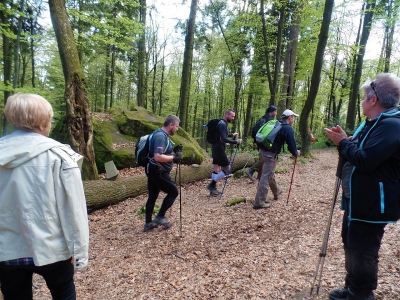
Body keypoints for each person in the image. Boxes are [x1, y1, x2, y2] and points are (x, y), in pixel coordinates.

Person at [0, 93, 89, 299]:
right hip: (53, 248)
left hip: (7, 251)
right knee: (63, 293)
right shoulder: (60, 157)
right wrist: (78, 252)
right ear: (43, 123)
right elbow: (74, 210)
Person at [324, 73, 400, 300]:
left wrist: (343, 143)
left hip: (374, 202)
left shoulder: (391, 125)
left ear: (373, 99)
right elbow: (360, 149)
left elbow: (365, 160)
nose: (362, 101)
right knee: (351, 241)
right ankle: (353, 287)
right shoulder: (376, 123)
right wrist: (346, 139)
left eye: (364, 97)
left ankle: (363, 294)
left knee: (364, 249)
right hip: (360, 199)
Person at [254, 109, 300, 209]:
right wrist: (296, 153)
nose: (294, 119)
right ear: (289, 117)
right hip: (270, 155)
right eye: (294, 117)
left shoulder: (276, 123)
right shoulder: (287, 128)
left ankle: (276, 191)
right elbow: (291, 146)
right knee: (266, 177)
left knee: (269, 174)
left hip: (262, 152)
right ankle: (259, 202)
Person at [143, 115, 182, 232]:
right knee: (174, 191)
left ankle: (148, 223)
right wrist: (174, 158)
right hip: (158, 171)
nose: (177, 129)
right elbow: (158, 156)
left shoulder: (161, 134)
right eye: (176, 126)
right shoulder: (160, 136)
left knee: (153, 196)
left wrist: (174, 150)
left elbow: (162, 151)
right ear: (170, 125)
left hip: (153, 169)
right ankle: (160, 216)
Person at [206, 109, 243, 196]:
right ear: (226, 115)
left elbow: (221, 135)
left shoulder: (221, 123)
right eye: (232, 116)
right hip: (219, 148)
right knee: (227, 169)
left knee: (216, 167)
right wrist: (236, 142)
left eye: (234, 116)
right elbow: (223, 138)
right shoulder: (222, 124)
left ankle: (213, 190)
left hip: (215, 147)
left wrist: (231, 135)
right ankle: (211, 186)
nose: (233, 118)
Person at [246, 105, 278, 182]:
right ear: (272, 112)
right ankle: (251, 170)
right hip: (265, 143)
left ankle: (259, 176)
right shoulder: (270, 121)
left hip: (258, 141)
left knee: (262, 158)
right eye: (275, 111)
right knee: (266, 159)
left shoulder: (262, 118)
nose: (276, 113)